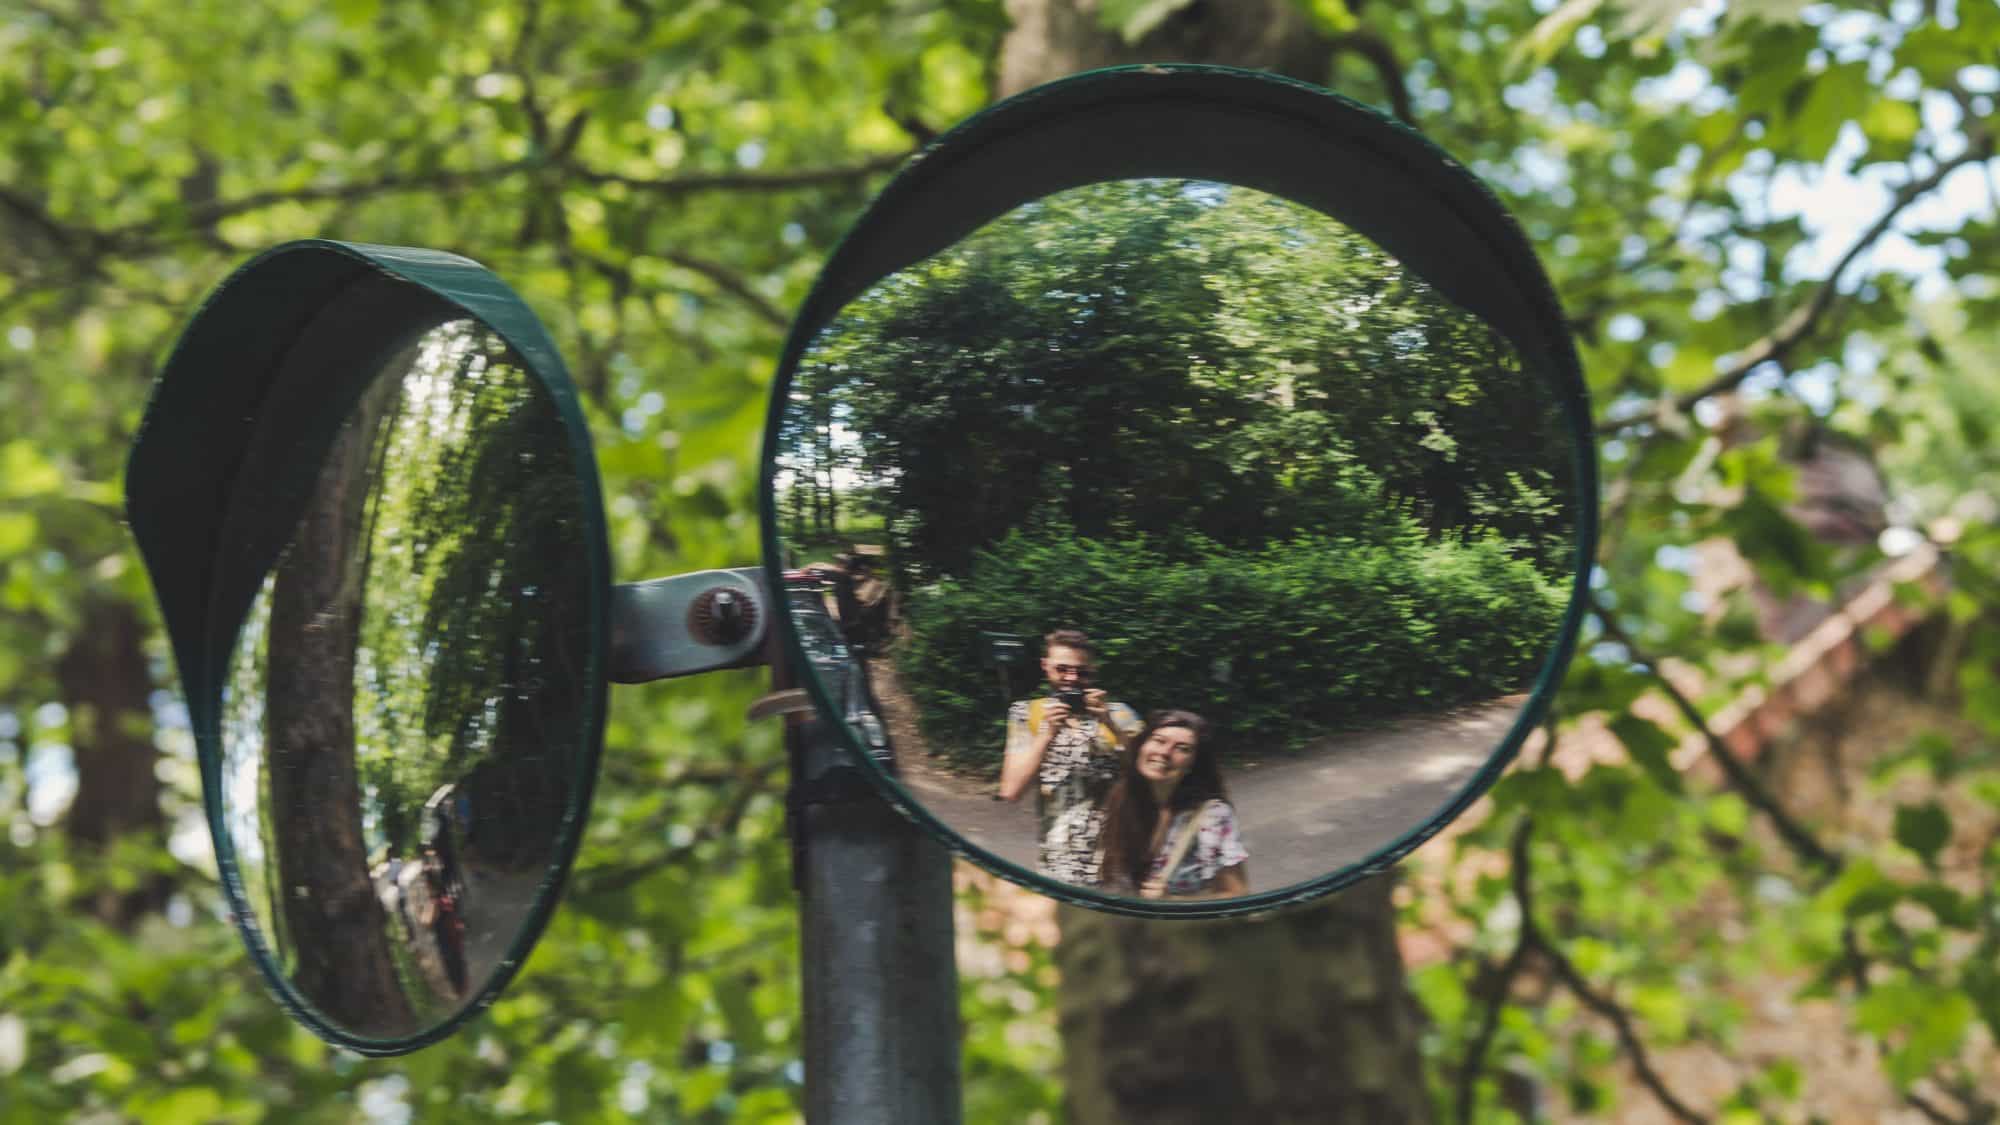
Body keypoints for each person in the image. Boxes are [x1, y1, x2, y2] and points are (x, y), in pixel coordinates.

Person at [996, 628, 1141, 885]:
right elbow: (1011, 790)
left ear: (1092, 670)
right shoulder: (1027, 713)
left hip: (1120, 855)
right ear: (1045, 666)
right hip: (1060, 860)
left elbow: (1149, 774)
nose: (1071, 679)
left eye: (1081, 672)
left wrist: (1109, 723)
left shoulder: (1119, 713)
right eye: (1062, 669)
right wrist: (1046, 734)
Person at [1092, 709, 1249, 900]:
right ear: (1142, 746)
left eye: (1182, 748)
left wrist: (1174, 902)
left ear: (1193, 763)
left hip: (1181, 927)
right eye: (1159, 740)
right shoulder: (1121, 797)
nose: (1165, 752)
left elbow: (1237, 893)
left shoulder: (1211, 816)